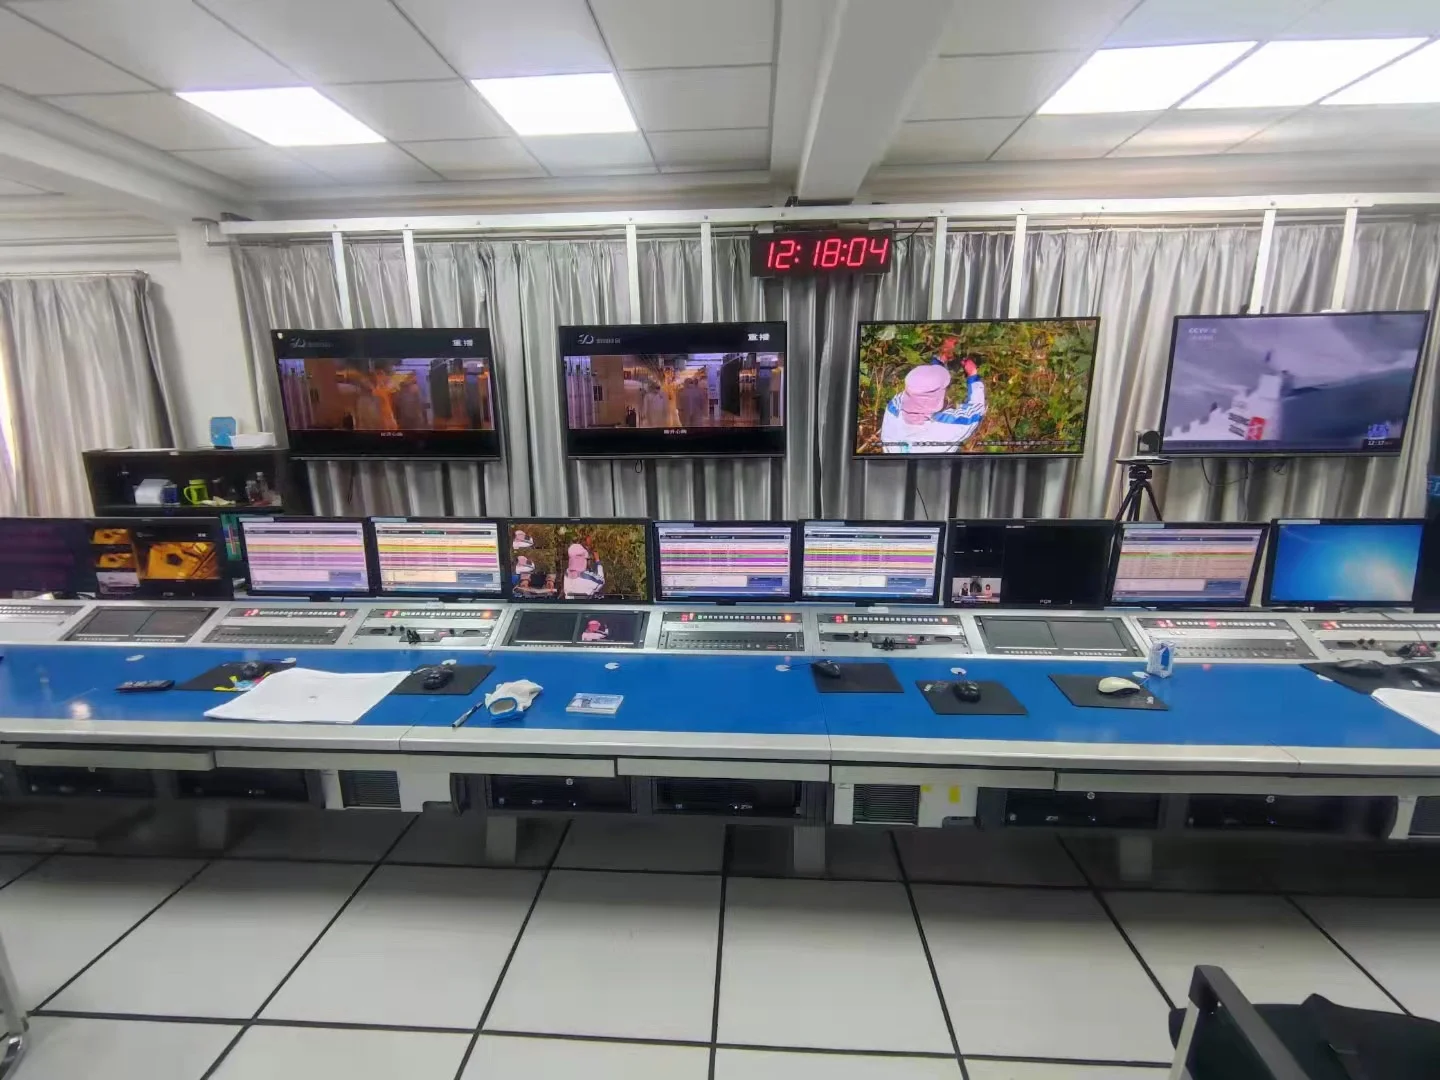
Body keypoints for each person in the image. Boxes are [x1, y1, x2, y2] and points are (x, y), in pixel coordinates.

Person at [880, 355, 986, 453]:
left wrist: (937, 364)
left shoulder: (893, 410)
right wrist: (973, 375)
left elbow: (919, 389)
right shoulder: (948, 426)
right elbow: (976, 410)